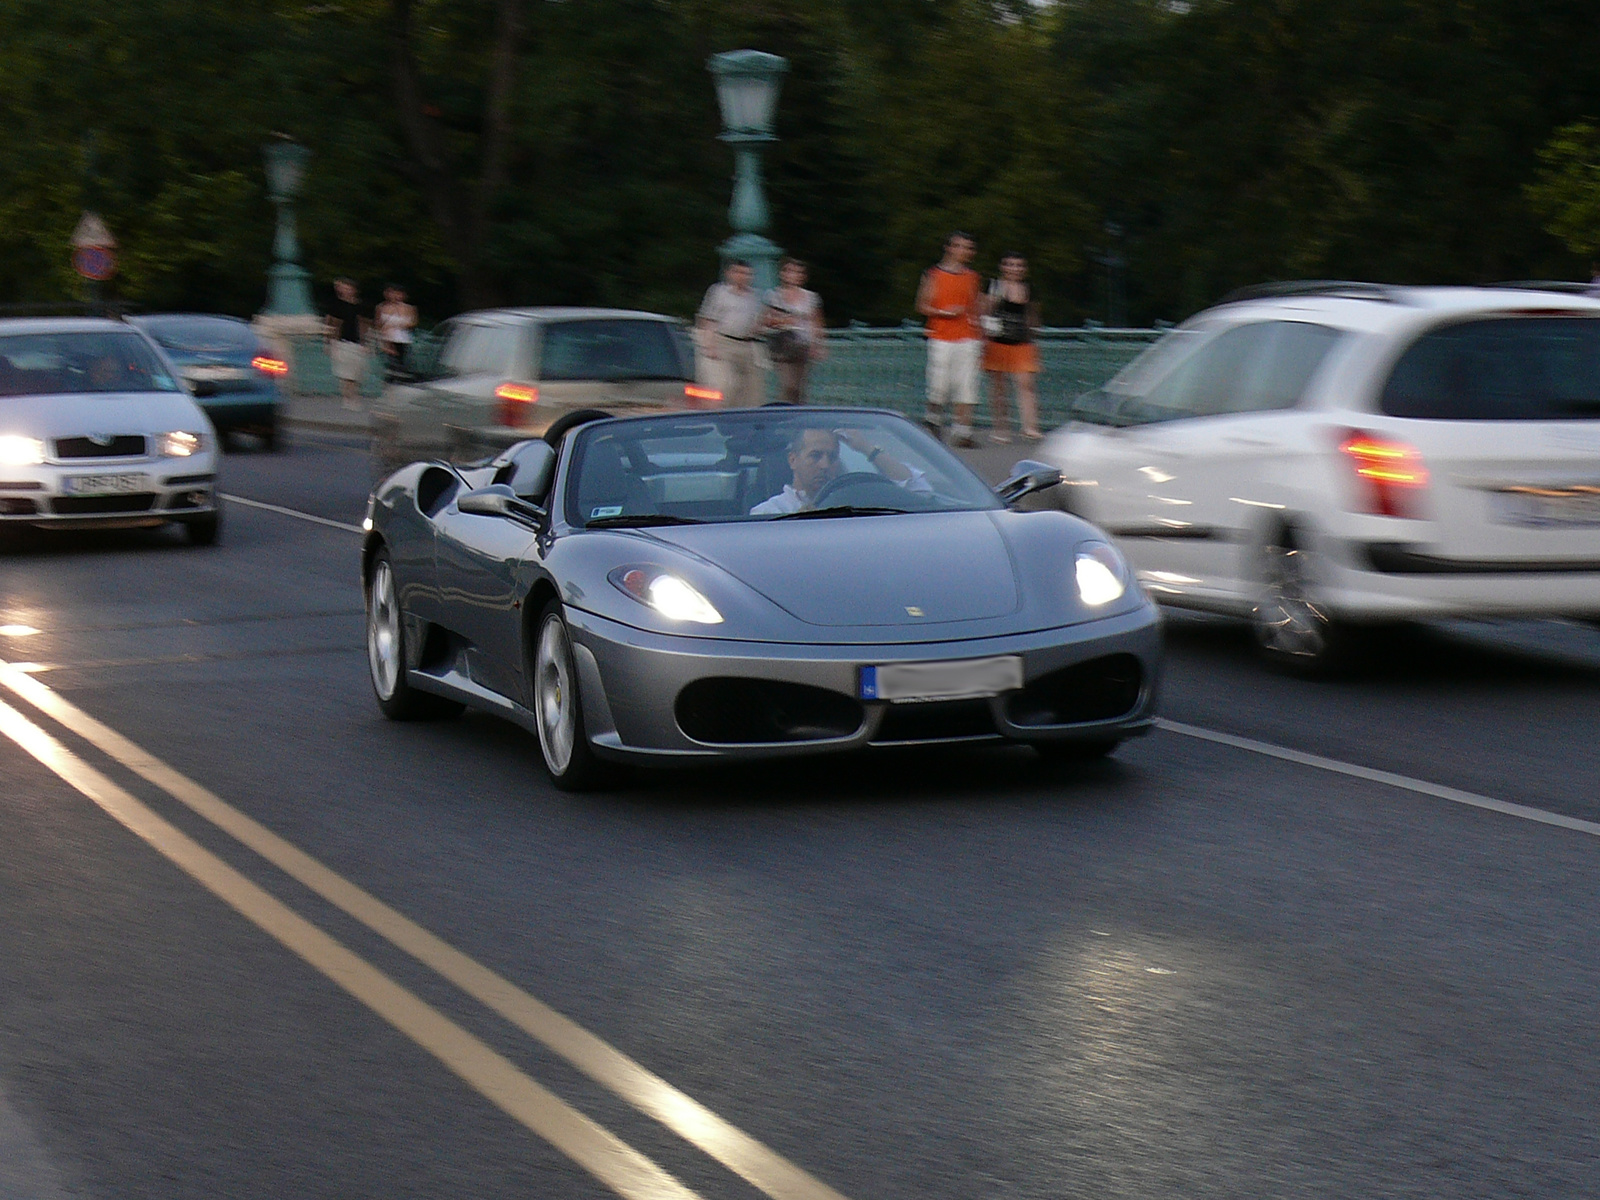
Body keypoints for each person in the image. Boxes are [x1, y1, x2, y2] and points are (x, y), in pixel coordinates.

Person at [750, 425, 931, 516]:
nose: (825, 465)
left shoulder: (855, 503)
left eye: (832, 457)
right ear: (793, 460)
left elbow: (920, 492)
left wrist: (867, 448)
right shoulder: (770, 512)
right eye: (815, 456)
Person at [915, 232, 984, 446]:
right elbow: (921, 305)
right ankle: (933, 420)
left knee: (967, 384)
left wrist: (983, 332)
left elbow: (977, 306)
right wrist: (945, 313)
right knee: (939, 383)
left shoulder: (972, 277)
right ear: (950, 248)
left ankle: (963, 432)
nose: (966, 252)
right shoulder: (933, 274)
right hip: (941, 335)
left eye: (969, 248)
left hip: (968, 336)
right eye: (962, 247)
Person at [982, 253, 1043, 441]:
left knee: (1026, 385)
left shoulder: (1029, 289)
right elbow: (983, 312)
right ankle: (1001, 429)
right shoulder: (994, 286)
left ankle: (1030, 426)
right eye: (1010, 265)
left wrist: (1033, 334)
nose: (1014, 269)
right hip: (997, 341)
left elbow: (1033, 316)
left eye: (1018, 265)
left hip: (1022, 342)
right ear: (1003, 267)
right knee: (999, 388)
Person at [696, 261, 765, 407]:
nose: (743, 277)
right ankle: (724, 415)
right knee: (727, 384)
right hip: (723, 342)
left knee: (752, 388)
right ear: (730, 274)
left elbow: (757, 322)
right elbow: (708, 319)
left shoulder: (754, 297)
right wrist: (709, 345)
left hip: (747, 344)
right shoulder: (719, 292)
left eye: (747, 274)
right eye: (739, 272)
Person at [763, 258, 826, 404]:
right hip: (783, 345)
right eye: (790, 271)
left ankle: (798, 416)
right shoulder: (774, 296)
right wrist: (784, 320)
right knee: (788, 385)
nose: (794, 275)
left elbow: (817, 322)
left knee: (800, 387)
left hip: (803, 344)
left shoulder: (811, 297)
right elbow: (766, 320)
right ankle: (784, 413)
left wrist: (818, 345)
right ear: (783, 274)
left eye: (798, 272)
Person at [325, 278, 369, 409]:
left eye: (347, 287)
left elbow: (364, 325)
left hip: (356, 342)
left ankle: (353, 395)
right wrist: (328, 342)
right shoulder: (335, 305)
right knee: (345, 372)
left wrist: (365, 342)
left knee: (356, 372)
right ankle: (348, 397)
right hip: (342, 342)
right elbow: (331, 324)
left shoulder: (360, 305)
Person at [375, 284, 417, 373]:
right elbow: (378, 325)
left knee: (401, 365)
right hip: (387, 340)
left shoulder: (409, 308)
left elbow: (413, 323)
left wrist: (396, 325)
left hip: (403, 340)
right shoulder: (381, 307)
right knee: (388, 367)